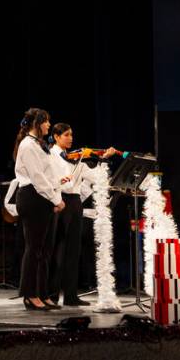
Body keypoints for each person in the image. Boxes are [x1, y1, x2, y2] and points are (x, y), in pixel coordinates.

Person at [47, 124, 117, 306]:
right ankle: (52, 294)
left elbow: (95, 177)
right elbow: (57, 180)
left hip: (75, 203)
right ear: (55, 136)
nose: (70, 138)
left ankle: (70, 295)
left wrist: (103, 160)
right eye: (66, 135)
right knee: (58, 249)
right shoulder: (51, 155)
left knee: (73, 250)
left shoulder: (79, 159)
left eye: (72, 135)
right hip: (59, 200)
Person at [13, 108, 64, 311]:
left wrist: (56, 197)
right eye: (46, 122)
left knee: (45, 250)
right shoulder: (27, 145)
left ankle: (43, 292)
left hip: (44, 198)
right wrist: (55, 199)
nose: (49, 125)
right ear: (37, 123)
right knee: (33, 249)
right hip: (32, 197)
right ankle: (29, 294)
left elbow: (50, 174)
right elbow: (36, 177)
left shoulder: (40, 144)